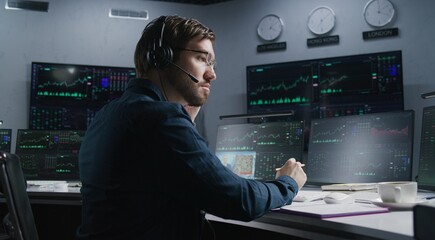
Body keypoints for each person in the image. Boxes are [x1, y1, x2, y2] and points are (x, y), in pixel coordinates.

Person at [76, 15, 307, 240]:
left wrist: (186, 120)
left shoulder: (107, 115)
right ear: (162, 58)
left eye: (212, 63)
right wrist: (288, 183)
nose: (212, 74)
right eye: (201, 58)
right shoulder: (161, 120)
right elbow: (240, 201)